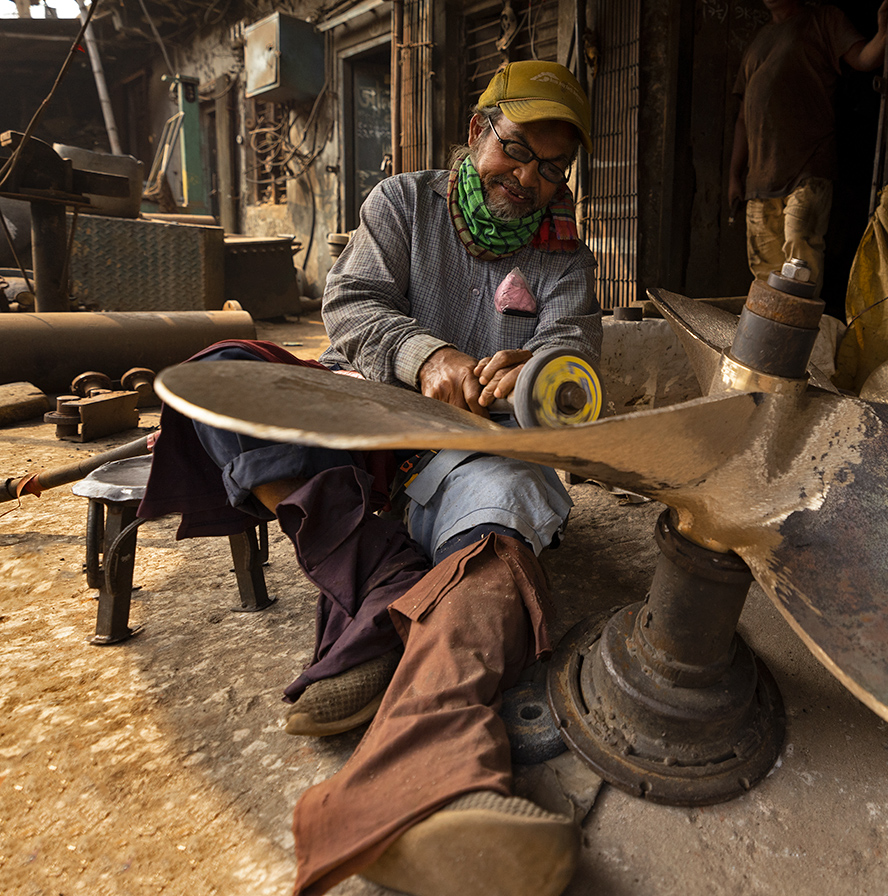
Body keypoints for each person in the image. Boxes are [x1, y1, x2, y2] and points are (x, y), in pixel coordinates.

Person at [138, 59, 601, 896]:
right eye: (516, 150)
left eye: (551, 168)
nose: (529, 180)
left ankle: (419, 781)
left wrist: (535, 370)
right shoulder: (402, 203)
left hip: (473, 453)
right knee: (224, 376)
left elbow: (575, 352)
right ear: (476, 133)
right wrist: (426, 357)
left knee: (500, 529)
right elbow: (351, 308)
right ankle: (384, 580)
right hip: (366, 427)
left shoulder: (563, 251)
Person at [728, 0, 888, 294]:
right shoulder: (758, 42)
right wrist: (734, 176)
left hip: (807, 172)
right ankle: (772, 349)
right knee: (765, 282)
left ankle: (804, 347)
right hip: (759, 186)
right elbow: (743, 117)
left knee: (799, 266)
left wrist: (884, 34)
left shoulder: (822, 21)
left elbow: (865, 59)